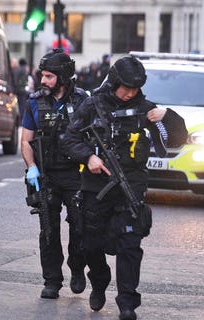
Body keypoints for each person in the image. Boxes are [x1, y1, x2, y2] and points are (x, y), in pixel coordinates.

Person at [61, 56, 187, 320]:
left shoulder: (145, 108)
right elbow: (69, 138)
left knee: (130, 245)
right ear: (115, 82)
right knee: (90, 244)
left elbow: (177, 138)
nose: (130, 93)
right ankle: (99, 280)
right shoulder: (92, 105)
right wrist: (88, 157)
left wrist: (168, 116)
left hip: (131, 186)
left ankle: (127, 303)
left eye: (135, 89)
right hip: (96, 187)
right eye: (126, 88)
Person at [21, 49, 88, 299]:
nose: (43, 81)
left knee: (80, 227)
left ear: (62, 77)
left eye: (49, 76)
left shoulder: (83, 102)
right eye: (43, 75)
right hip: (46, 175)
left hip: (76, 174)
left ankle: (77, 268)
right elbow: (26, 141)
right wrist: (32, 168)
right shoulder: (34, 102)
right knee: (48, 229)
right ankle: (52, 280)